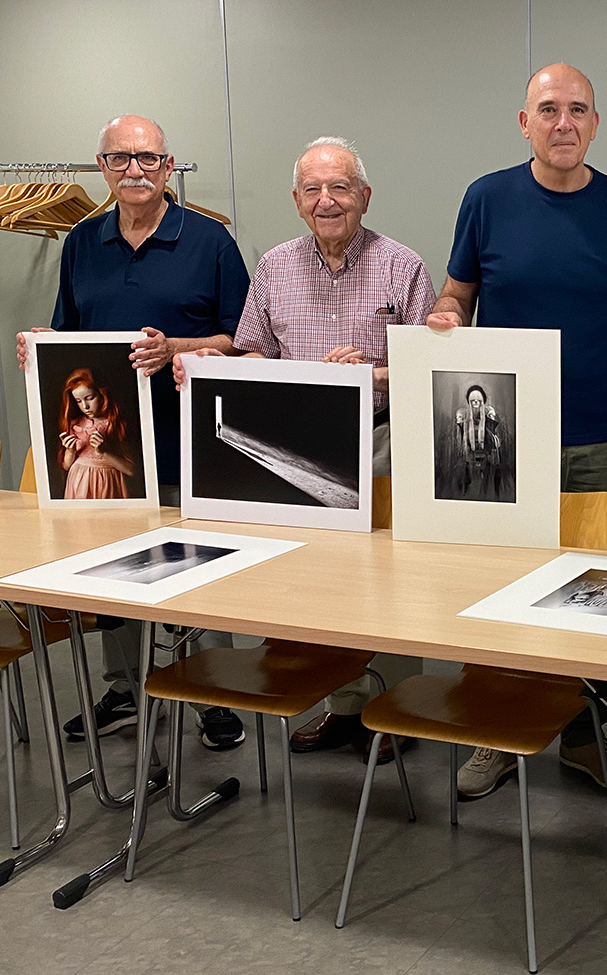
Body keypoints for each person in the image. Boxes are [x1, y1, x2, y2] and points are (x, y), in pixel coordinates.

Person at [426, 62, 607, 798]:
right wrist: (445, 318)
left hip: (597, 436)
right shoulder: (487, 200)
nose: (564, 123)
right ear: (524, 122)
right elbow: (455, 292)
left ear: (596, 123)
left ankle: (582, 738)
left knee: (587, 593)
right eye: (549, 109)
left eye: (578, 110)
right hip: (499, 439)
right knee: (500, 587)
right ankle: (500, 730)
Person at [175, 136, 436, 764]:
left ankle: (393, 711)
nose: (327, 200)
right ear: (296, 200)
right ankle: (342, 705)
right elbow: (254, 353)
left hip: (384, 439)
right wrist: (221, 361)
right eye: (313, 190)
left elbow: (434, 366)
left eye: (340, 187)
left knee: (389, 580)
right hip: (301, 449)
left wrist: (372, 373)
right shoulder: (274, 268)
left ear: (364, 197)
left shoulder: (403, 266)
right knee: (318, 584)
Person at [17, 114, 251, 750]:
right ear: (102, 169)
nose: (135, 170)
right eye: (120, 159)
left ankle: (211, 690)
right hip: (114, 445)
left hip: (193, 436)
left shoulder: (211, 241)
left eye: (147, 159)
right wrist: (40, 345)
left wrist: (176, 345)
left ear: (168, 167)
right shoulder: (82, 242)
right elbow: (69, 333)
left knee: (198, 563)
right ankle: (125, 685)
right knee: (113, 567)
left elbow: (242, 341)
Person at [58, 368, 135, 499]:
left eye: (89, 398)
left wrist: (104, 452)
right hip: (78, 482)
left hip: (106, 484)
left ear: (102, 394)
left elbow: (130, 470)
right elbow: (66, 466)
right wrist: (70, 450)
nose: (85, 406)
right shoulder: (76, 425)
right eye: (78, 401)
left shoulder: (114, 425)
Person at [447, 383, 512, 502]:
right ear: (469, 402)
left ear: (482, 401)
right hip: (468, 449)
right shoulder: (462, 413)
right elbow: (460, 432)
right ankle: (465, 490)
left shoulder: (488, 411)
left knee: (493, 467)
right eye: (473, 400)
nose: (475, 403)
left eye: (478, 400)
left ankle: (495, 491)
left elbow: (493, 430)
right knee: (464, 469)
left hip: (486, 448)